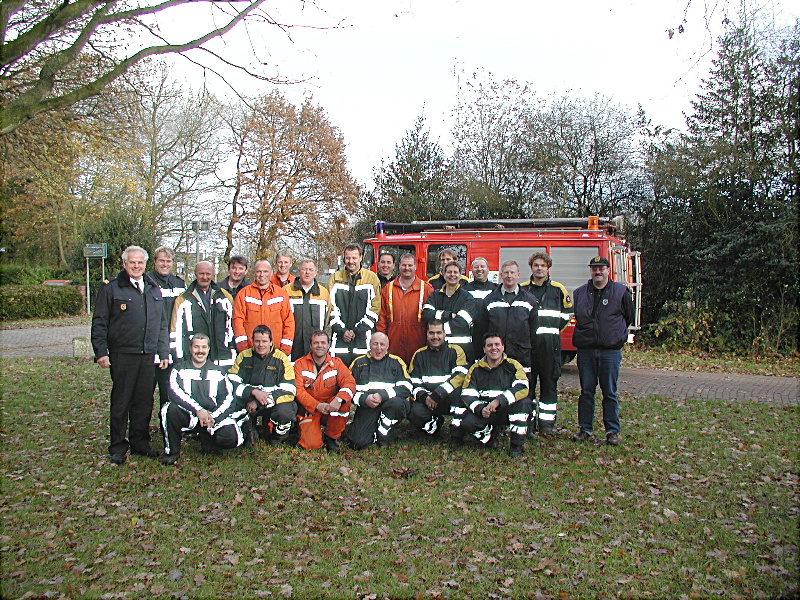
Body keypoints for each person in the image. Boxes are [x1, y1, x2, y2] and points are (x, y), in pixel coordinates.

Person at [91, 245, 169, 464]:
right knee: (121, 402)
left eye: (140, 263)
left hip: (148, 354)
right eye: (132, 262)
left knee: (143, 402)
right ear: (124, 264)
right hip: (123, 354)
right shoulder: (112, 289)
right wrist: (101, 352)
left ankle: (140, 443)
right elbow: (100, 322)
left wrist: (163, 351)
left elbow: (161, 325)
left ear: (145, 265)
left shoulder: (153, 289)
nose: (136, 266)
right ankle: (117, 446)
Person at [571, 256, 634, 446]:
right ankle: (585, 429)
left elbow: (628, 317)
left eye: (601, 269)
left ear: (608, 270)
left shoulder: (621, 292)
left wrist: (615, 336)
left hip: (610, 352)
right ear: (590, 271)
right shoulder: (580, 293)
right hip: (586, 350)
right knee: (586, 392)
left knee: (610, 392)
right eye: (594, 269)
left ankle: (612, 431)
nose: (598, 272)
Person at [160, 334, 248, 465]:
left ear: (208, 349)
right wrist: (198, 410)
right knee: (168, 409)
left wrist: (213, 418)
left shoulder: (219, 372)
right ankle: (172, 451)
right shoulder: (179, 369)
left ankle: (209, 441)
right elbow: (174, 392)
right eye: (196, 347)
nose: (200, 351)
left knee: (231, 438)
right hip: (190, 415)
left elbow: (229, 398)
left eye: (203, 347)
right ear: (190, 348)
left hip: (213, 418)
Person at [450, 333, 533, 457]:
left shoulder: (513, 365)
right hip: (485, 412)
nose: (494, 348)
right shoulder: (475, 368)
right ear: (484, 349)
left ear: (503, 347)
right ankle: (489, 436)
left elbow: (522, 387)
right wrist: (480, 409)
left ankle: (516, 446)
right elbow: (468, 394)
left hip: (507, 410)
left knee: (524, 403)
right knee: (468, 423)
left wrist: (499, 401)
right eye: (489, 345)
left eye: (497, 344)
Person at [521, 252, 572, 434]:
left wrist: (553, 330)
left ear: (548, 268)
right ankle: (528, 423)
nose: (539, 268)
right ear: (531, 267)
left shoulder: (558, 289)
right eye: (536, 265)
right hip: (529, 347)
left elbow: (567, 314)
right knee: (528, 386)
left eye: (543, 265)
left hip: (551, 346)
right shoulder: (523, 289)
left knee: (549, 385)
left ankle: (547, 424)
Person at [228, 325, 298, 446]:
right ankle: (246, 433)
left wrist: (259, 402)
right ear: (252, 341)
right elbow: (231, 383)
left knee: (285, 412)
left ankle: (277, 438)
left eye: (264, 341)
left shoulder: (281, 359)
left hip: (273, 402)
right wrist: (252, 392)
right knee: (230, 407)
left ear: (271, 342)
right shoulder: (244, 356)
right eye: (257, 341)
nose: (261, 345)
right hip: (248, 401)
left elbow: (289, 390)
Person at [293, 330, 356, 452]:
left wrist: (338, 400)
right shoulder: (300, 364)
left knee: (344, 403)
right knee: (311, 445)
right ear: (310, 346)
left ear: (328, 345)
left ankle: (332, 437)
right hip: (310, 409)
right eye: (316, 343)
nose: (320, 346)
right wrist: (316, 405)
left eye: (323, 343)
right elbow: (298, 390)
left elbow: (350, 383)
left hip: (330, 408)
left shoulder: (336, 363)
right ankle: (304, 429)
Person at [347, 332, 412, 450]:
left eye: (382, 345)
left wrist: (383, 395)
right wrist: (364, 399)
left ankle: (384, 433)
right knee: (358, 443)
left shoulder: (396, 362)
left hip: (390, 405)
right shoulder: (358, 363)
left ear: (387, 346)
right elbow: (347, 389)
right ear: (369, 345)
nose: (378, 348)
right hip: (367, 406)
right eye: (375, 344)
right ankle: (372, 428)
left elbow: (407, 387)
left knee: (397, 404)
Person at [407, 320, 469, 437]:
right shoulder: (419, 354)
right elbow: (414, 382)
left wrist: (438, 394)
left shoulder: (456, 351)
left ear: (444, 333)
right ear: (427, 334)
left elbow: (460, 376)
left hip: (449, 398)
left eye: (439, 333)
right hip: (428, 400)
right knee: (412, 411)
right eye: (431, 333)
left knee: (462, 395)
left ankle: (456, 432)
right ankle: (434, 426)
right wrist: (425, 397)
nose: (435, 337)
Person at [171, 261, 237, 368]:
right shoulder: (183, 299)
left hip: (222, 358)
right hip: (194, 359)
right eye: (201, 274)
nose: (204, 277)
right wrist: (178, 359)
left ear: (213, 274)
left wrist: (233, 351)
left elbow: (233, 326)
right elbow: (175, 331)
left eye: (208, 274)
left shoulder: (225, 297)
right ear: (195, 274)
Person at [328, 243, 381, 367]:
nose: (350, 261)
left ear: (361, 257)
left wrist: (357, 330)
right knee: (338, 374)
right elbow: (330, 308)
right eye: (347, 258)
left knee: (362, 374)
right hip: (339, 339)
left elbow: (375, 308)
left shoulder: (371, 278)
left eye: (354, 258)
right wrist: (342, 330)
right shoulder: (335, 278)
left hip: (363, 338)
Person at [484, 260, 539, 379]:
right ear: (501, 275)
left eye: (512, 272)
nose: (509, 276)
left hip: (521, 353)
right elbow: (483, 328)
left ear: (518, 275)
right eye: (506, 272)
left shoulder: (529, 300)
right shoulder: (490, 300)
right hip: (496, 353)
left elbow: (533, 329)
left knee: (522, 389)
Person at [376, 253, 433, 366]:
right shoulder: (388, 289)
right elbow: (381, 319)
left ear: (415, 266)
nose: (407, 268)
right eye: (404, 265)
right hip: (394, 345)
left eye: (410, 265)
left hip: (418, 345)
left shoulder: (426, 289)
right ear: (398, 266)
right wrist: (381, 343)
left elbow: (431, 321)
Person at [146, 246, 185, 408]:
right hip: (150, 345)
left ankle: (167, 428)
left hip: (174, 346)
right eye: (161, 260)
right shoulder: (146, 282)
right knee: (145, 393)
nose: (165, 264)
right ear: (155, 262)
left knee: (169, 392)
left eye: (168, 261)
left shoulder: (179, 284)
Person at [232, 259, 295, 355]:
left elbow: (288, 322)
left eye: (265, 271)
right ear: (254, 273)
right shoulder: (244, 294)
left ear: (271, 273)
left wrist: (285, 350)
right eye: (259, 271)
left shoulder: (281, 294)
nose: (262, 275)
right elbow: (238, 322)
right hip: (250, 351)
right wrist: (243, 350)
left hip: (276, 351)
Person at [422, 261, 477, 361]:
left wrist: (437, 328)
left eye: (455, 272)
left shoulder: (468, 297)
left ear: (460, 275)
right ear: (443, 274)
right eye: (449, 272)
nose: (452, 275)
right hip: (437, 349)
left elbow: (462, 324)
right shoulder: (434, 295)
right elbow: (427, 314)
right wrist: (448, 315)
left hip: (463, 350)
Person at [285, 259, 331, 361]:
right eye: (304, 269)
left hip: (316, 348)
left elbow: (327, 320)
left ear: (315, 273)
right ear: (299, 271)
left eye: (311, 270)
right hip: (293, 346)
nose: (307, 272)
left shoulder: (323, 293)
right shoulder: (286, 291)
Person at [464, 256, 495, 351]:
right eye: (476, 267)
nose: (479, 269)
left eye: (482, 266)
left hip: (491, 333)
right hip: (471, 334)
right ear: (472, 270)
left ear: (488, 270)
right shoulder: (465, 290)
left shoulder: (496, 289)